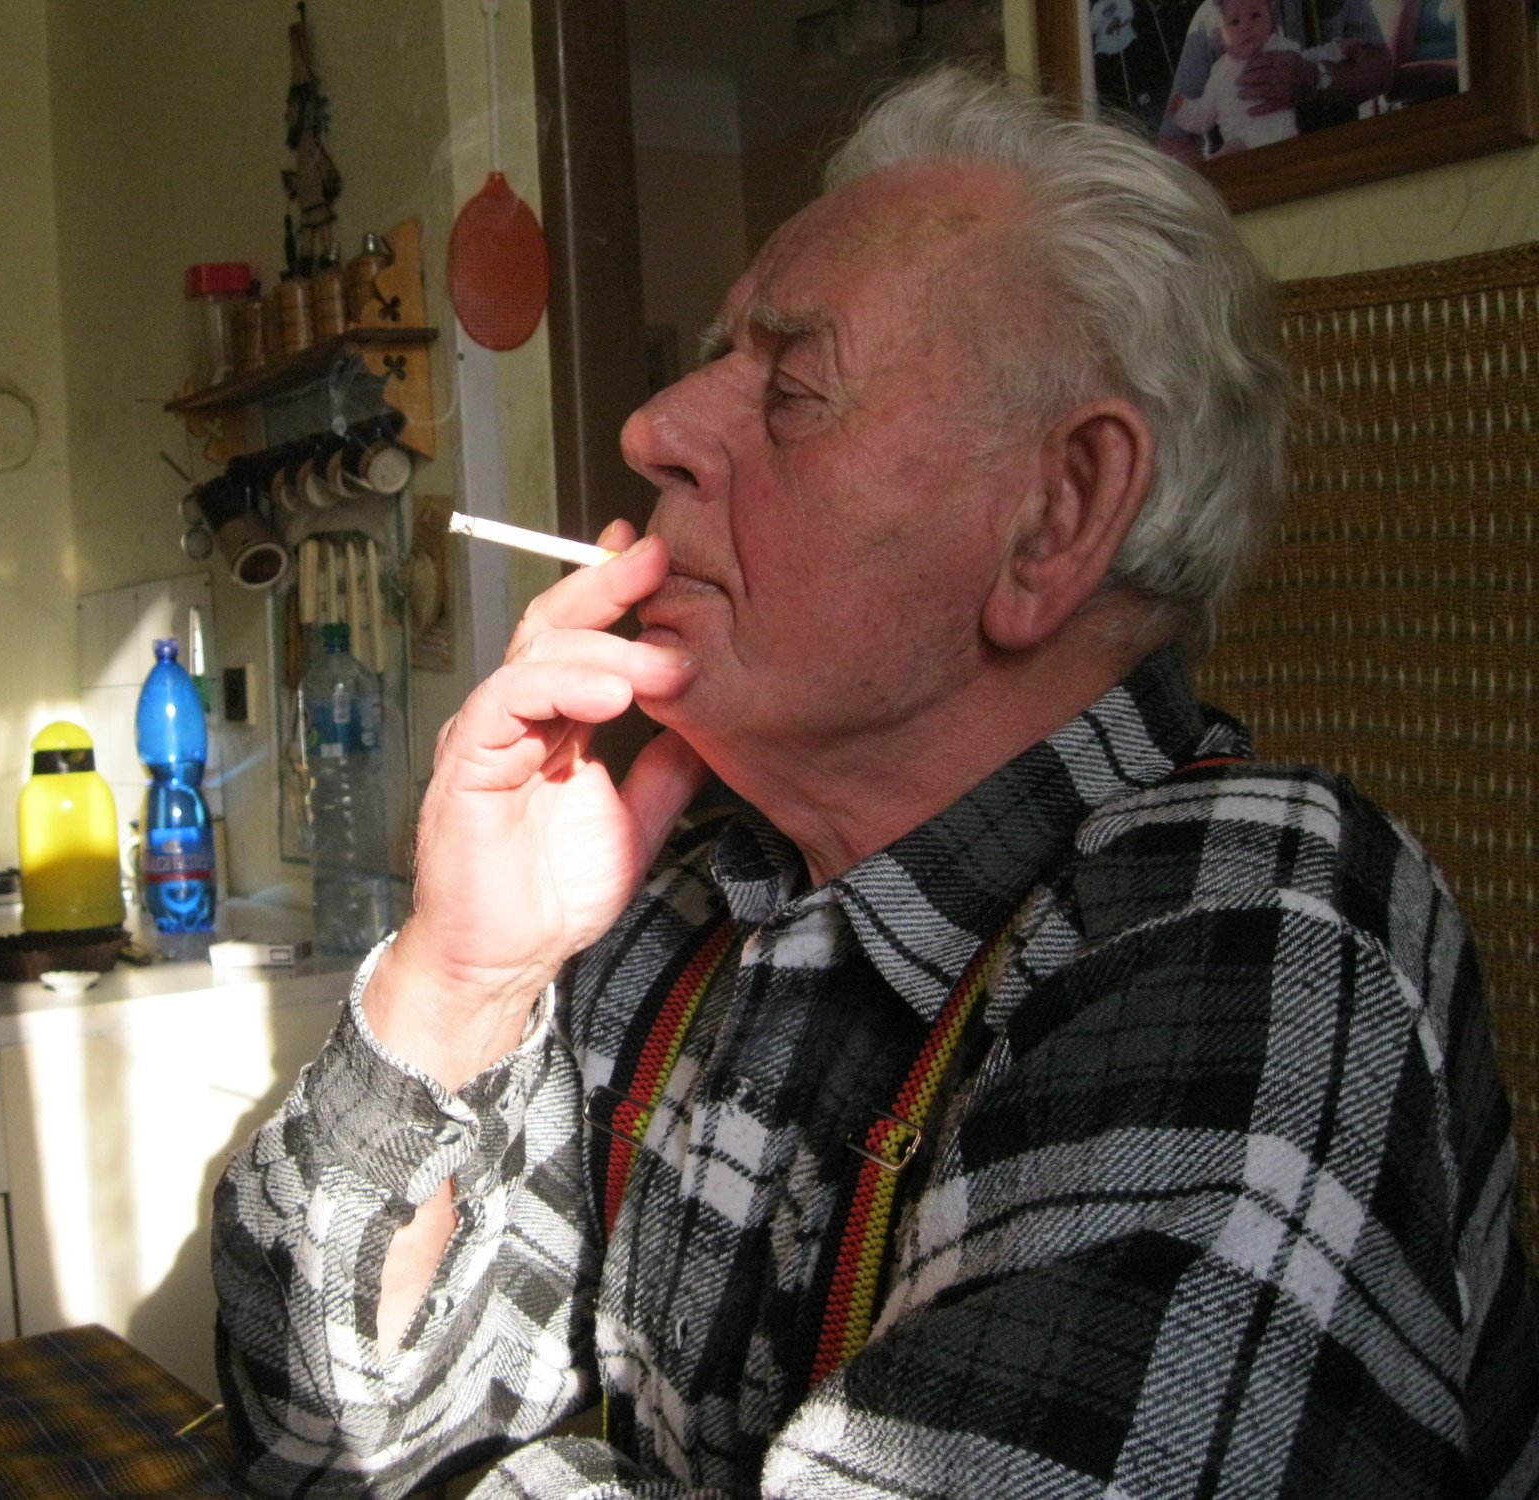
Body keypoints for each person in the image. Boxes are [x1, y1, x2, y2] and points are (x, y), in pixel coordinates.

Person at [214, 70, 1538, 1498]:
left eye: (791, 386)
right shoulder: (682, 894)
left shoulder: (1260, 925)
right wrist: (458, 982)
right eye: (713, 362)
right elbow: (320, 1441)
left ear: (1055, 517)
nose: (652, 428)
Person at [1157, 0, 1392, 160]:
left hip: (1336, 158)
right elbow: (1173, 142)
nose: (1244, 26)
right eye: (1236, 22)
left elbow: (1382, 70)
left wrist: (1318, 77)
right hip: (1245, 177)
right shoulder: (1214, 16)